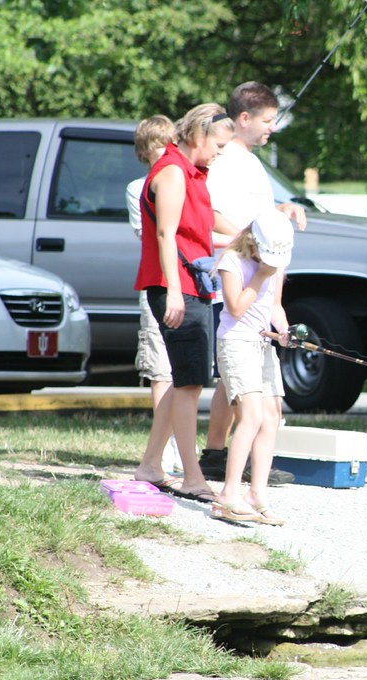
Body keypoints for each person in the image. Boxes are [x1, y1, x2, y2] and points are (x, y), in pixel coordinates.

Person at [199, 81, 306, 486]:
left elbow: (255, 214)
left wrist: (280, 209)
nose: (272, 128)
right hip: (239, 283)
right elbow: (211, 215)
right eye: (266, 120)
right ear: (243, 118)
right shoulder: (227, 162)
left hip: (259, 283)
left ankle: (215, 452)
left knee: (234, 378)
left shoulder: (250, 162)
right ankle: (225, 459)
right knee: (240, 376)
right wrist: (254, 241)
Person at [132, 103, 236, 502]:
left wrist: (251, 233)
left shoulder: (193, 173)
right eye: (218, 145)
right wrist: (175, 290)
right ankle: (193, 477)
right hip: (176, 286)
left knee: (183, 380)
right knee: (191, 382)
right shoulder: (173, 172)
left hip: (192, 284)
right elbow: (165, 235)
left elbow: (208, 221)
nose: (220, 152)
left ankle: (151, 466)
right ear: (198, 134)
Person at [211, 210, 294, 524]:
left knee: (272, 415)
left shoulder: (277, 264)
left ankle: (256, 493)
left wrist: (284, 331)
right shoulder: (232, 262)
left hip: (262, 344)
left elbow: (274, 306)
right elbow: (235, 307)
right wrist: (260, 275)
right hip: (236, 343)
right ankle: (227, 495)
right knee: (251, 416)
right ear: (252, 241)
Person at [126, 115, 182, 476]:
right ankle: (164, 449)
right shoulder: (142, 186)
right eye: (162, 144)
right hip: (157, 286)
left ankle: (176, 443)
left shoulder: (176, 177)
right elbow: (159, 233)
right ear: (147, 149)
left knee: (180, 371)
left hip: (177, 284)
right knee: (161, 371)